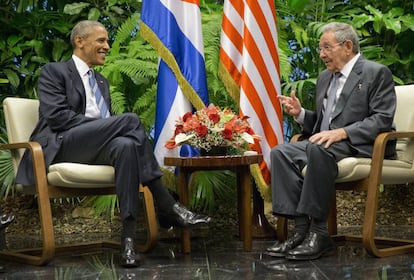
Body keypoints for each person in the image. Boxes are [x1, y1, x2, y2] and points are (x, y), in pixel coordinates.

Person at [15, 20, 211, 268]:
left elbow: (109, 127)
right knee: (129, 121)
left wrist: (103, 130)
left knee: (126, 147)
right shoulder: (55, 72)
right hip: (62, 144)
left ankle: (128, 240)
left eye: (107, 41)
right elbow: (56, 117)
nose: (107, 46)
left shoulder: (101, 82)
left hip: (95, 147)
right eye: (101, 40)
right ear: (80, 41)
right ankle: (165, 203)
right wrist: (98, 127)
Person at [266, 22, 396, 260]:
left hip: (360, 144)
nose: (322, 54)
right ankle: (301, 231)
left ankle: (319, 233)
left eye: (326, 47)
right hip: (325, 145)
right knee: (280, 153)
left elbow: (382, 119)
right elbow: (323, 124)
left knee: (318, 148)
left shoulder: (375, 73)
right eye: (320, 49)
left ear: (347, 46)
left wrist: (343, 133)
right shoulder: (325, 77)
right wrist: (301, 114)